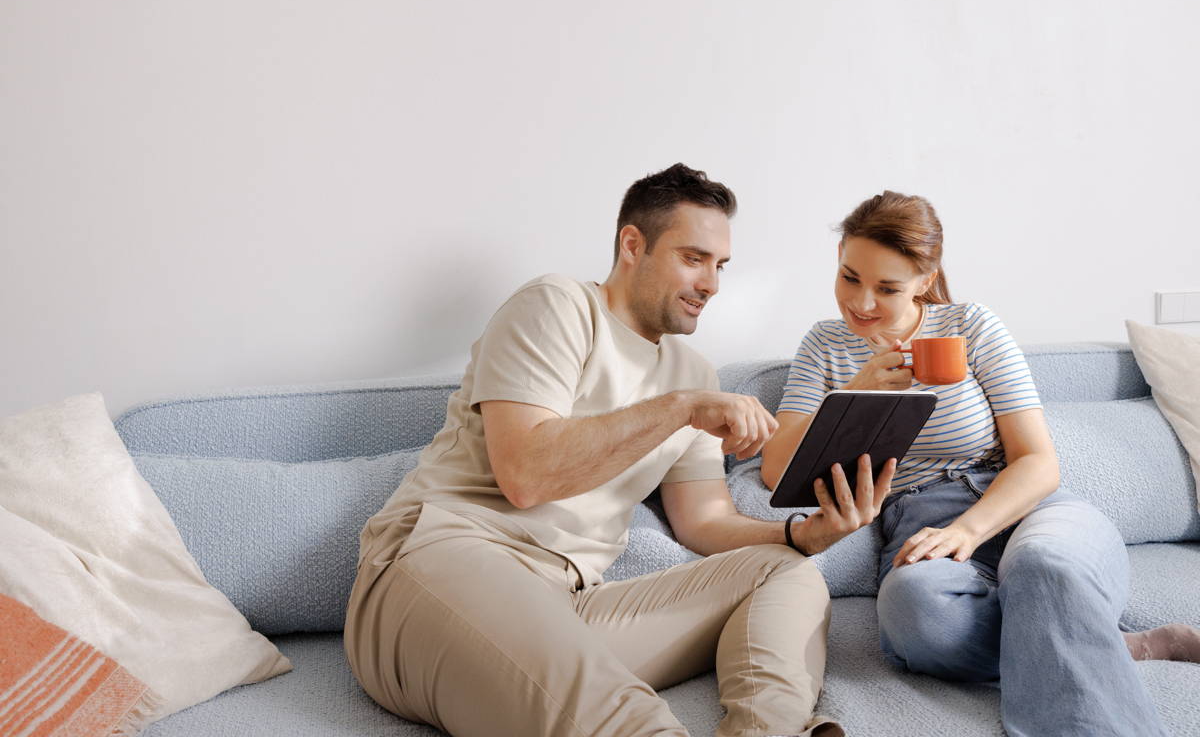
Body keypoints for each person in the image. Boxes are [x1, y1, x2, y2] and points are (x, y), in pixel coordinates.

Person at [344, 164, 892, 737]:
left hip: (568, 605)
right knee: (626, 721)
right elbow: (525, 475)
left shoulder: (692, 370)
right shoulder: (556, 306)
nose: (711, 284)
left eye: (720, 265)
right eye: (693, 258)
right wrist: (682, 408)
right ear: (633, 245)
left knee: (787, 572)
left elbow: (704, 520)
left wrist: (799, 535)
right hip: (436, 567)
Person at [760, 190, 1200, 737]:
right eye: (850, 277)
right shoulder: (824, 346)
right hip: (916, 521)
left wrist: (968, 529)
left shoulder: (971, 326)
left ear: (926, 279)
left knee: (1045, 567)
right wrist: (858, 388)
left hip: (1024, 506)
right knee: (915, 613)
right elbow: (778, 468)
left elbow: (1038, 462)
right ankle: (1118, 643)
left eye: (887, 288)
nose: (862, 302)